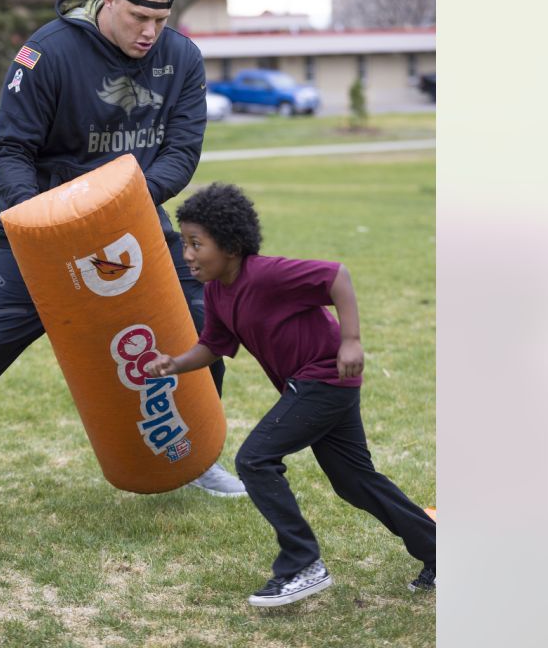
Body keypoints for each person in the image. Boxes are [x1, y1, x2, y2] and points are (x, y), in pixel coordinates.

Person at [0, 0, 245, 497]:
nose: (149, 32)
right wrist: (39, 220)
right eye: (137, 18)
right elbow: (10, 147)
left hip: (133, 225)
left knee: (199, 326)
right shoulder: (47, 52)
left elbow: (181, 150)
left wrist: (120, 203)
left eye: (159, 21)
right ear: (109, 0)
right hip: (40, 236)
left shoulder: (183, 59)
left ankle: (192, 458)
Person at [143, 183, 437, 607]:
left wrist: (351, 340)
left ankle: (302, 563)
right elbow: (215, 346)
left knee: (254, 459)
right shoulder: (217, 290)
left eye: (196, 243)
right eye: (185, 243)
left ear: (230, 244)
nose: (186, 254)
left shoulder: (267, 274)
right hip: (320, 384)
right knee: (354, 482)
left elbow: (337, 276)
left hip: (323, 377)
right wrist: (175, 363)